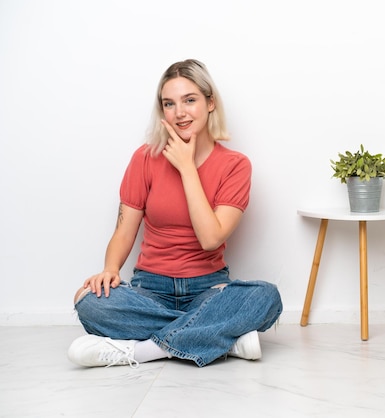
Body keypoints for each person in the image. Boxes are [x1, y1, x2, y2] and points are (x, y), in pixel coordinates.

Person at [68, 59, 283, 368]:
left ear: (210, 103)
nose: (179, 112)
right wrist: (110, 268)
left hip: (208, 288)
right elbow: (124, 230)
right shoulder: (144, 158)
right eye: (169, 103)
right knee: (86, 301)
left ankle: (141, 351)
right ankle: (222, 337)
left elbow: (210, 238)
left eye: (190, 100)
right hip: (149, 289)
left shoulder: (236, 165)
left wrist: (186, 166)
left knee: (266, 297)